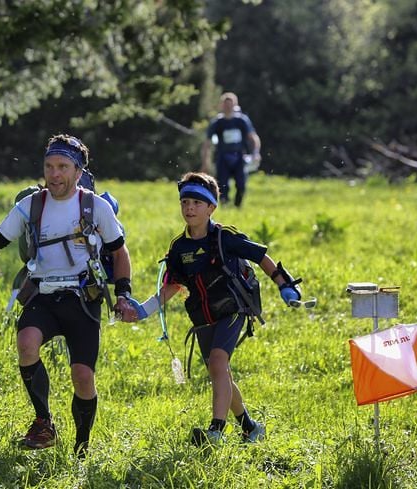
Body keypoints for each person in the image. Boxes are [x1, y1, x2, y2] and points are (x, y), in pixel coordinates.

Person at [0, 134, 134, 457]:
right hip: (42, 294)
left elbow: (120, 251)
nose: (54, 174)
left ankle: (81, 446)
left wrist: (123, 294)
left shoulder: (95, 207)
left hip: (83, 298)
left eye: (62, 167)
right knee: (26, 343)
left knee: (83, 377)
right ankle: (44, 422)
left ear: (79, 171)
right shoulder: (31, 206)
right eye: (49, 166)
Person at [120, 172, 303, 445]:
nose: (189, 208)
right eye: (185, 202)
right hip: (203, 317)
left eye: (196, 202)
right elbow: (172, 286)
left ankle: (215, 432)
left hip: (233, 309)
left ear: (211, 208)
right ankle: (250, 427)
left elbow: (260, 257)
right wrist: (143, 310)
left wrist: (283, 285)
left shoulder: (224, 237)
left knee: (218, 363)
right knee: (220, 373)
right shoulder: (179, 247)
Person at [200, 92, 261, 208]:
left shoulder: (242, 121)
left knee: (241, 184)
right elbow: (207, 143)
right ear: (221, 105)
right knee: (222, 185)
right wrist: (205, 162)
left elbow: (253, 137)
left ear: (235, 105)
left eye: (230, 104)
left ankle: (238, 205)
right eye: (226, 104)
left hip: (239, 156)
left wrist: (256, 153)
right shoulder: (217, 122)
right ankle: (225, 206)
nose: (228, 107)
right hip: (223, 156)